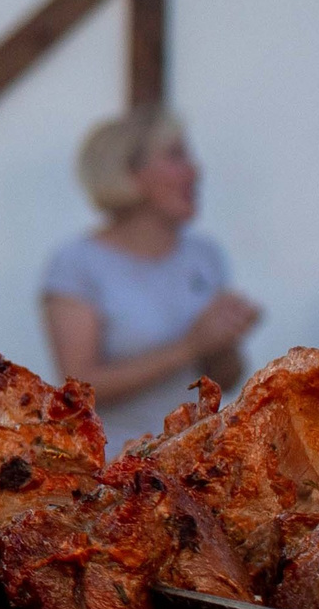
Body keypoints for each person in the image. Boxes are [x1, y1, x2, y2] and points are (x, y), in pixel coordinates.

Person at [40, 107, 261, 448]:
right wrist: (190, 346)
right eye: (176, 155)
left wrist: (225, 338)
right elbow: (79, 391)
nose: (195, 170)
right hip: (115, 465)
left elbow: (226, 380)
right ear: (128, 172)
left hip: (195, 461)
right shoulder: (77, 264)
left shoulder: (205, 255)